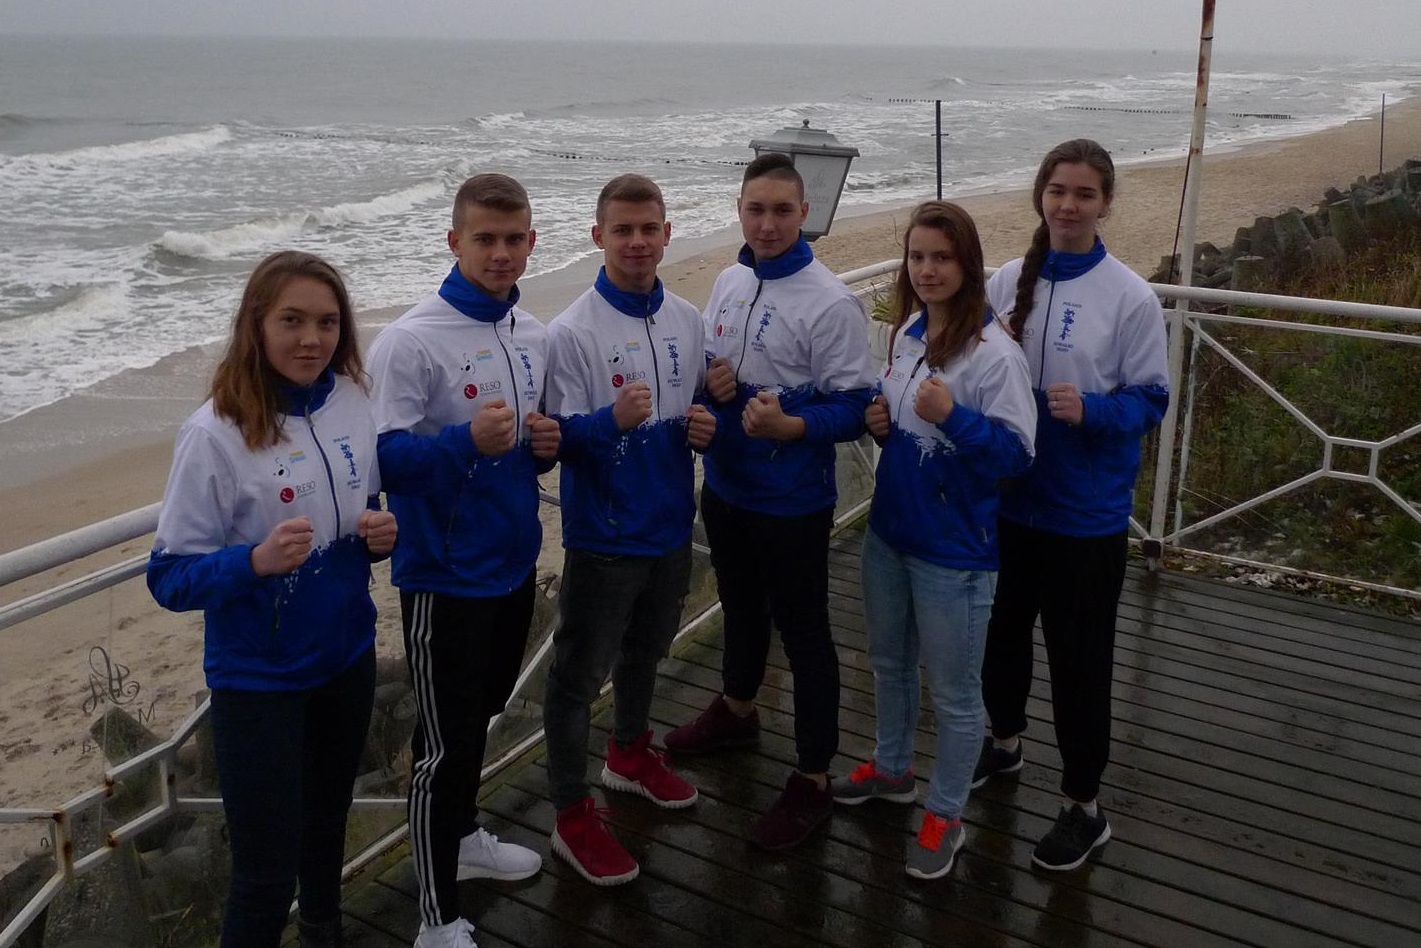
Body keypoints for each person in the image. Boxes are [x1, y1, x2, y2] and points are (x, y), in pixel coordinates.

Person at [148, 250, 397, 948]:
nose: (311, 340)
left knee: (327, 826)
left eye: (326, 322)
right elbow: (168, 577)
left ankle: (323, 931)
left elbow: (357, 507)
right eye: (292, 321)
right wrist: (253, 561)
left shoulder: (352, 400)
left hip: (346, 657)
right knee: (263, 874)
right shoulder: (213, 433)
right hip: (260, 682)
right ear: (256, 324)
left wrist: (378, 535)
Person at [365, 174, 558, 948]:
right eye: (485, 239)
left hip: (512, 563)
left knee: (478, 720)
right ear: (455, 242)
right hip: (444, 577)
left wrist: (543, 446)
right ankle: (434, 917)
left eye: (513, 239)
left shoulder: (530, 332)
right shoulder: (409, 340)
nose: (500, 253)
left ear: (531, 242)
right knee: (441, 753)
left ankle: (464, 838)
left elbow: (522, 450)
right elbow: (382, 459)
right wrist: (464, 441)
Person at [664, 152, 875, 849]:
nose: (767, 224)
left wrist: (791, 425)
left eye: (782, 211)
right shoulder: (730, 280)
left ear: (804, 214)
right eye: (755, 210)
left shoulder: (831, 301)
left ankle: (813, 778)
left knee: (805, 633)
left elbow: (855, 407)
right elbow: (711, 370)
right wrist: (711, 383)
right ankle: (737, 709)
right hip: (726, 487)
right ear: (739, 211)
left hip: (792, 501)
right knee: (740, 609)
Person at [973, 139, 1170, 871]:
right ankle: (1004, 744)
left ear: (1105, 203)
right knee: (1000, 639)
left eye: (1084, 194)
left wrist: (1092, 410)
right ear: (1040, 194)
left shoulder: (1130, 296)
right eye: (1057, 190)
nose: (1068, 205)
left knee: (1079, 664)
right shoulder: (1005, 280)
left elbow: (1151, 399)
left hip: (1083, 517)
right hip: (1005, 505)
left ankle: (1084, 806)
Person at [828, 202, 1035, 879]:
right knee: (889, 664)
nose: (927, 270)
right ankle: (892, 770)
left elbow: (1016, 455)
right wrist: (882, 421)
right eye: (917, 257)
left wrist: (954, 417)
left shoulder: (995, 355)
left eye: (941, 257)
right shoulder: (909, 332)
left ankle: (946, 812)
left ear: (967, 264)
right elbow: (903, 424)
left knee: (954, 693)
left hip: (955, 552)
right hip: (890, 533)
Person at [540, 173, 714, 885]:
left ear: (667, 234)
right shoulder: (571, 331)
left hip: (671, 524)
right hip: (605, 536)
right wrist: (609, 422)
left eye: (649, 229)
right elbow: (555, 438)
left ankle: (629, 755)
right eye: (623, 230)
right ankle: (570, 813)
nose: (637, 242)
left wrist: (707, 421)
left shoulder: (686, 318)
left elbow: (697, 404)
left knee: (646, 653)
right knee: (576, 679)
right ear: (598, 237)